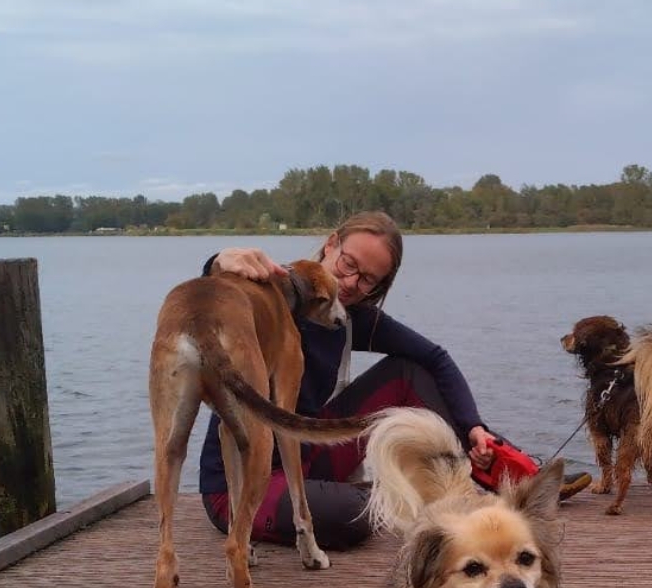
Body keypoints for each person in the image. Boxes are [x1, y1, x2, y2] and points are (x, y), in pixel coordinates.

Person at [195, 211, 587, 550]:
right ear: (331, 245)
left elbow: (436, 358)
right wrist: (218, 260)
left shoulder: (346, 318)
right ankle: (365, 496)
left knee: (409, 373)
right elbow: (217, 297)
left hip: (307, 458)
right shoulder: (274, 295)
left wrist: (473, 427)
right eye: (348, 264)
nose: (350, 283)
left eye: (368, 280)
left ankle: (513, 475)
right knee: (354, 516)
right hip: (238, 486)